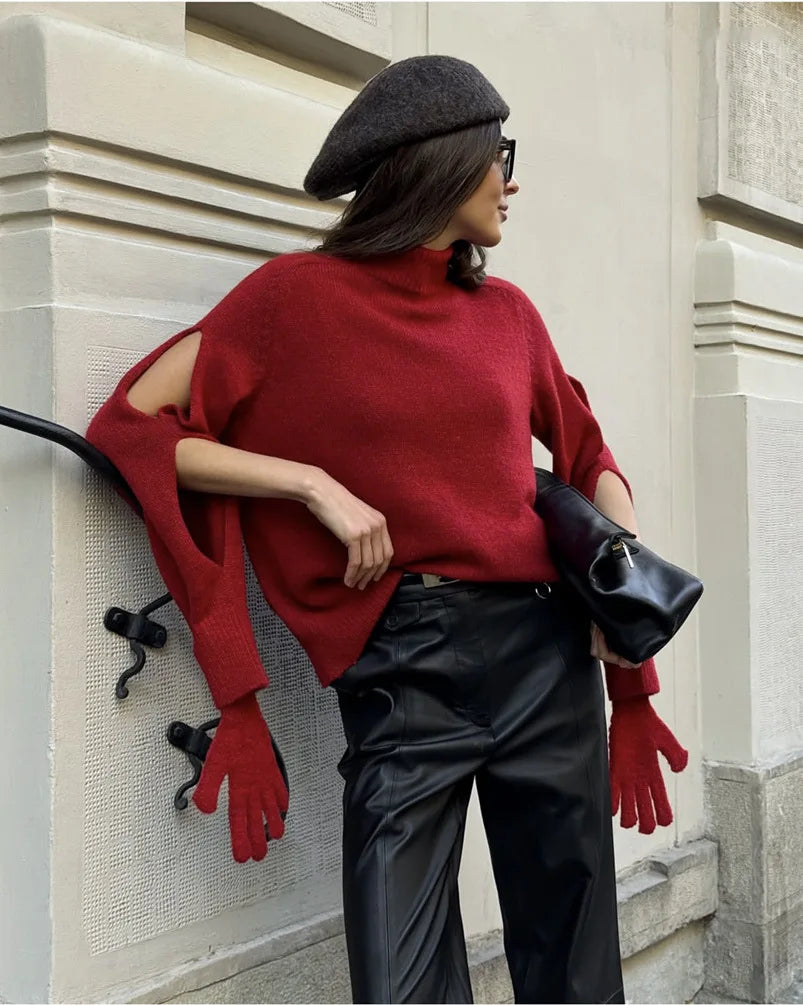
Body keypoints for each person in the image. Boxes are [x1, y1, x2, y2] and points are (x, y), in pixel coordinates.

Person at [86, 55, 688, 1005]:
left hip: (544, 656)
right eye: (499, 155)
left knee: (573, 966)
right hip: (403, 671)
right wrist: (304, 483)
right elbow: (131, 427)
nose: (511, 178)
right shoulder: (290, 300)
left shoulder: (508, 315)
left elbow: (588, 460)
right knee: (397, 982)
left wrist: (628, 656)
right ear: (440, 165)